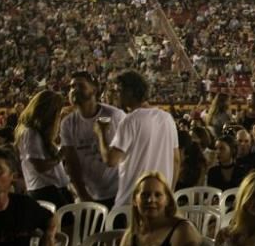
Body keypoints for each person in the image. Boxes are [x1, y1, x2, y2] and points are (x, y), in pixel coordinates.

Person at [95, 70, 180, 208]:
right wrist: (169, 193)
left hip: (131, 203)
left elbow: (111, 160)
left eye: (119, 91)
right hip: (161, 201)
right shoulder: (167, 118)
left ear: (129, 92)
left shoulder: (130, 120)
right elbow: (176, 160)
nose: (117, 96)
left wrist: (101, 132)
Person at [60, 71, 125, 207]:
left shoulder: (115, 116)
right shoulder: (68, 123)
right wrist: (84, 195)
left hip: (119, 192)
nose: (74, 90)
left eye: (80, 86)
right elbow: (72, 164)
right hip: (90, 194)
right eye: (72, 87)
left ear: (94, 89)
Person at [14, 90, 74, 209]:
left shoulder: (37, 132)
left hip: (53, 188)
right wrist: (60, 155)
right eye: (57, 113)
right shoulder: (30, 133)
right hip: (46, 190)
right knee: (67, 226)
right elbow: (39, 166)